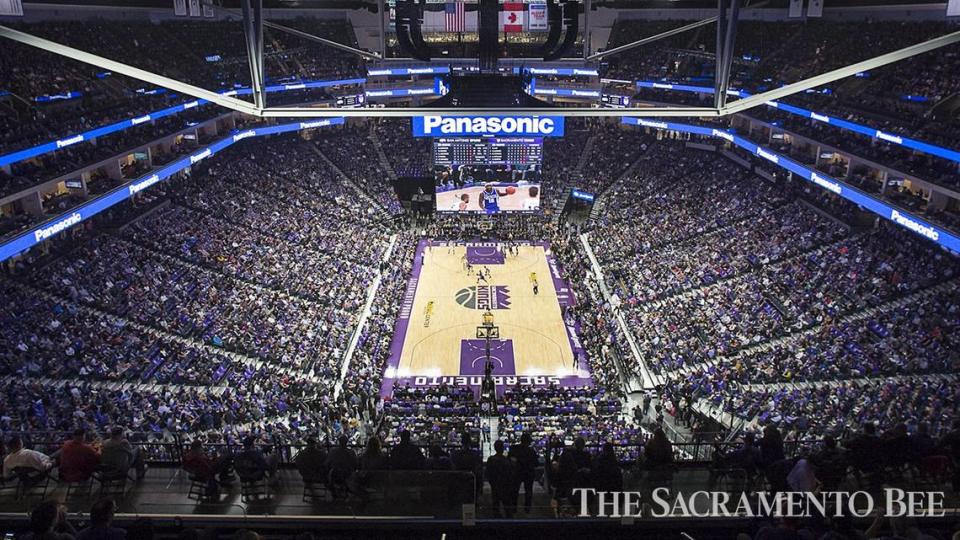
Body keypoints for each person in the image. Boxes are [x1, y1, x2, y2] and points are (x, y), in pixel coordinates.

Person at [508, 432, 538, 514]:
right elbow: (536, 463)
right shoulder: (531, 451)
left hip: (517, 473)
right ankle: (527, 509)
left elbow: (509, 460)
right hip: (528, 473)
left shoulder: (514, 448)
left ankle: (513, 508)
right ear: (528, 441)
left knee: (514, 491)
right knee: (528, 491)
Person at [485, 440, 515, 518]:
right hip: (505, 486)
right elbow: (511, 474)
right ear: (502, 448)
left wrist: (492, 483)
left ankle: (497, 521)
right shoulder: (507, 461)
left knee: (496, 505)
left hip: (495, 485)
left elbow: (488, 473)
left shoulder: (491, 459)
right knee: (507, 506)